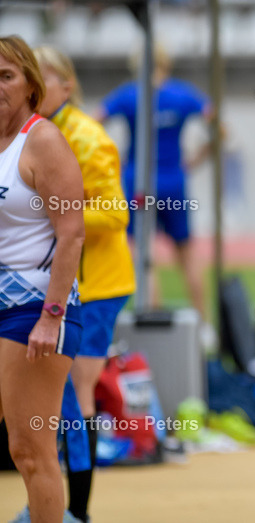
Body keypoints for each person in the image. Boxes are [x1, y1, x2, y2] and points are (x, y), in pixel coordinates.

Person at [34, 47, 135, 523]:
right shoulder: (30, 134)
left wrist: (56, 214)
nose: (31, 88)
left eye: (42, 78)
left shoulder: (89, 138)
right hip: (56, 285)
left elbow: (117, 213)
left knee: (74, 395)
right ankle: (56, 507)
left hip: (96, 287)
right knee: (51, 398)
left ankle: (76, 510)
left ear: (67, 85)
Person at [0, 36, 85, 523]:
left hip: (35, 309)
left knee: (31, 450)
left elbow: (72, 233)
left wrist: (51, 316)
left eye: (6, 76)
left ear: (31, 86)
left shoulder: (43, 140)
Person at [97, 45, 212, 339]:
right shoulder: (183, 94)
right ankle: (204, 325)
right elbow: (220, 127)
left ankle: (153, 320)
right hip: (174, 180)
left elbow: (95, 120)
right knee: (185, 252)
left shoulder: (129, 94)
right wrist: (198, 158)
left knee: (144, 256)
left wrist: (113, 159)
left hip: (140, 183)